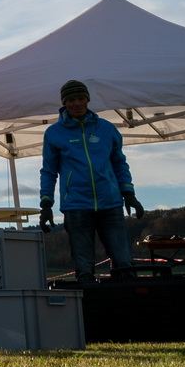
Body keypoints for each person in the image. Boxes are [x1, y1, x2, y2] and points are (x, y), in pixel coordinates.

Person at [39, 79, 146, 283]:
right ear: (64, 103)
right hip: (76, 206)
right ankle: (88, 302)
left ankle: (130, 300)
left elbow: (119, 163)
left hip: (110, 203)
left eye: (81, 98)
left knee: (124, 263)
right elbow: (49, 171)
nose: (76, 103)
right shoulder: (54, 133)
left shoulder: (106, 128)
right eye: (71, 100)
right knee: (84, 269)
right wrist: (46, 203)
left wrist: (129, 193)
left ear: (87, 100)